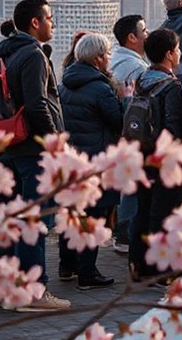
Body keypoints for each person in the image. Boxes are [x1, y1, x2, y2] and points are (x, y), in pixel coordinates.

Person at [0, 0, 70, 311]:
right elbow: (38, 103)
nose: (53, 23)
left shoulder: (6, 52)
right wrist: (54, 140)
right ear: (35, 23)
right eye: (49, 18)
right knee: (33, 223)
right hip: (32, 150)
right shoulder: (34, 54)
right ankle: (34, 293)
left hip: (10, 145)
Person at [56, 33, 123, 290]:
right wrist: (126, 99)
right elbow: (118, 121)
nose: (109, 59)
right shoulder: (100, 88)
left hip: (72, 159)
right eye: (107, 54)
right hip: (96, 160)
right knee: (93, 216)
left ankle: (67, 265)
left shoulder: (64, 84)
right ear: (97, 59)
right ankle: (87, 272)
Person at [129, 28, 182, 282]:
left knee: (143, 210)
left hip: (141, 152)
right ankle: (161, 270)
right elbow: (173, 127)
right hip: (164, 158)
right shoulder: (170, 86)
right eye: (178, 48)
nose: (180, 53)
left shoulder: (142, 79)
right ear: (169, 53)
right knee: (164, 212)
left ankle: (138, 264)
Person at [108, 14, 149, 254]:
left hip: (115, 134)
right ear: (132, 37)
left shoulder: (115, 59)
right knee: (132, 188)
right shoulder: (135, 67)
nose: (147, 34)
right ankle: (125, 235)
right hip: (131, 135)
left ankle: (122, 233)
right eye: (143, 31)